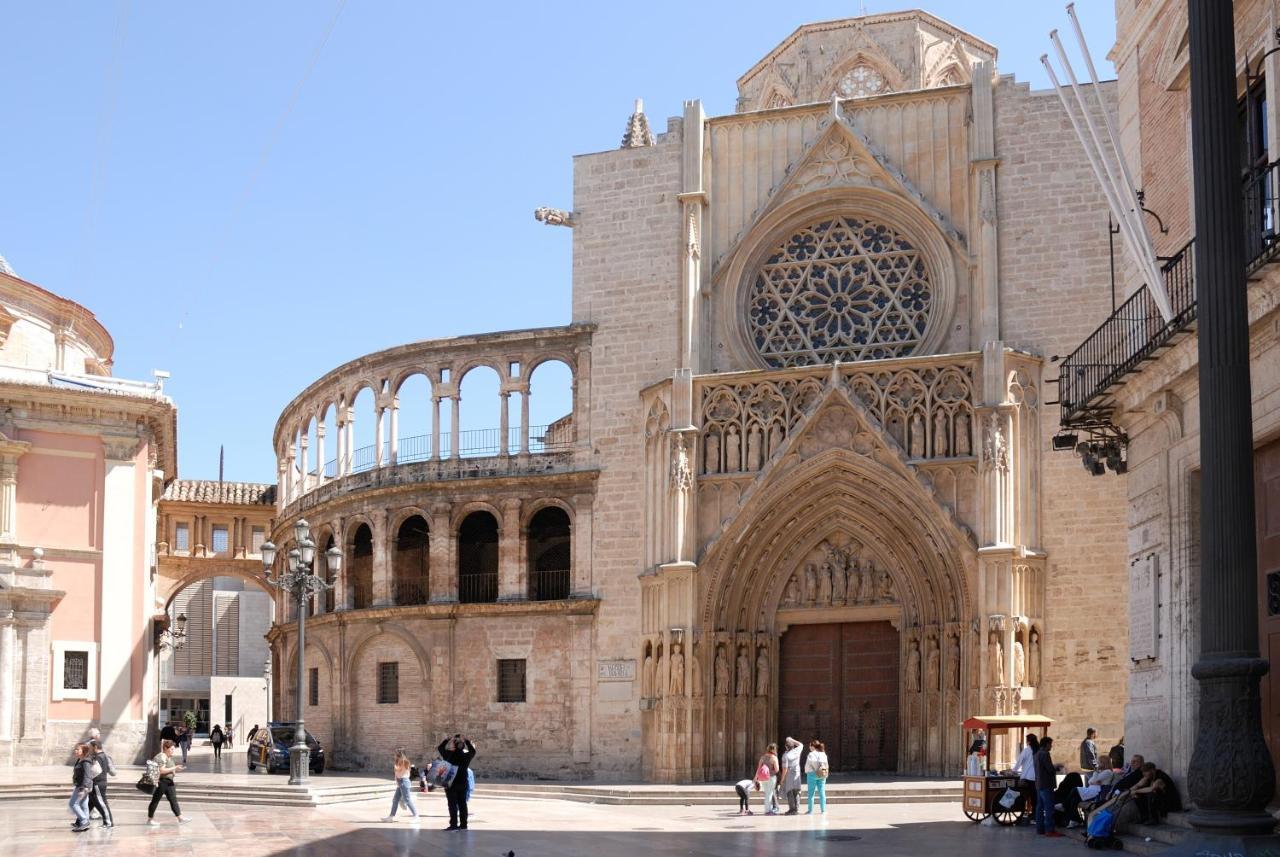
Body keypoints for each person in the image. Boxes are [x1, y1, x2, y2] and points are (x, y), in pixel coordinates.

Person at [147, 738, 192, 826]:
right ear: (165, 748)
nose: (173, 751)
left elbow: (168, 769)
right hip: (161, 782)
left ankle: (180, 818)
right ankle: (150, 819)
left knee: (173, 800)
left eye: (173, 749)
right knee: (155, 800)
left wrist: (175, 770)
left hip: (169, 782)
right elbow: (161, 770)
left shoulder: (167, 756)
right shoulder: (161, 756)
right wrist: (174, 768)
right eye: (171, 749)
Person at [438, 734, 476, 831]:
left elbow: (440, 747)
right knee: (462, 804)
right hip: (463, 783)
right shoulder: (466, 756)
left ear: (453, 745)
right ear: (463, 746)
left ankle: (453, 825)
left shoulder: (448, 754)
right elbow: (473, 751)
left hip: (450, 783)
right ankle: (464, 825)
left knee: (452, 804)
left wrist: (448, 739)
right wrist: (466, 740)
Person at [381, 749, 420, 822]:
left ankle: (416, 816)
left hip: (404, 781)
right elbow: (397, 773)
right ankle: (391, 817)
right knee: (395, 800)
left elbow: (398, 770)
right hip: (401, 782)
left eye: (396, 753)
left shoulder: (404, 761)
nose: (394, 754)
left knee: (407, 800)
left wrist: (395, 767)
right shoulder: (399, 761)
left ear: (399, 754)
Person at [1034, 736, 1062, 837]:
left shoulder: (1036, 754)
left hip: (1039, 784)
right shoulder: (1045, 754)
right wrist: (1057, 767)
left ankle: (1040, 828)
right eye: (1050, 744)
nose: (1051, 746)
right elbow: (1049, 769)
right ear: (1046, 744)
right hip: (1046, 784)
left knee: (1040, 807)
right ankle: (1050, 829)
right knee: (1049, 807)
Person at [87, 739, 115, 827]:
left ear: (95, 747)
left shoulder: (98, 757)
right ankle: (81, 820)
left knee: (102, 804)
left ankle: (108, 822)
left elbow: (95, 771)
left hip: (98, 783)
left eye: (90, 748)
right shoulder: (105, 756)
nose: (89, 750)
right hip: (100, 782)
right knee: (90, 803)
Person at [1010, 732, 1040, 815]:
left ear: (1028, 741)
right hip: (1036, 777)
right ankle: (1034, 814)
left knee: (1024, 795)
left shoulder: (1027, 750)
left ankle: (1025, 811)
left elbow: (1019, 761)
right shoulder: (1039, 750)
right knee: (1035, 797)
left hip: (1027, 777)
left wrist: (1013, 771)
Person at [68, 743, 93, 833]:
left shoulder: (86, 762)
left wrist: (83, 788)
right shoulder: (80, 760)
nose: (75, 751)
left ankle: (84, 821)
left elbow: (88, 775)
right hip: (82, 785)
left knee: (73, 804)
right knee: (84, 805)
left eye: (78, 749)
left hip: (82, 786)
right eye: (75, 749)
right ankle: (84, 824)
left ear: (83, 751)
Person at [804, 739, 829, 814]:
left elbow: (808, 765)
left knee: (811, 793)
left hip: (812, 774)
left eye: (810, 746)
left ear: (812, 746)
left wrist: (806, 771)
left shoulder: (811, 754)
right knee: (822, 792)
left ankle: (810, 810)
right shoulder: (823, 753)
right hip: (822, 773)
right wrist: (826, 773)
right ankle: (823, 810)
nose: (809, 747)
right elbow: (826, 765)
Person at [755, 743, 780, 815]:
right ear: (774, 749)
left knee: (767, 793)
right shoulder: (774, 758)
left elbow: (759, 768)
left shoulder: (762, 757)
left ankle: (768, 809)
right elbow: (777, 769)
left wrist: (756, 778)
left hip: (763, 778)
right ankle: (768, 810)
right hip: (771, 777)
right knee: (770, 794)